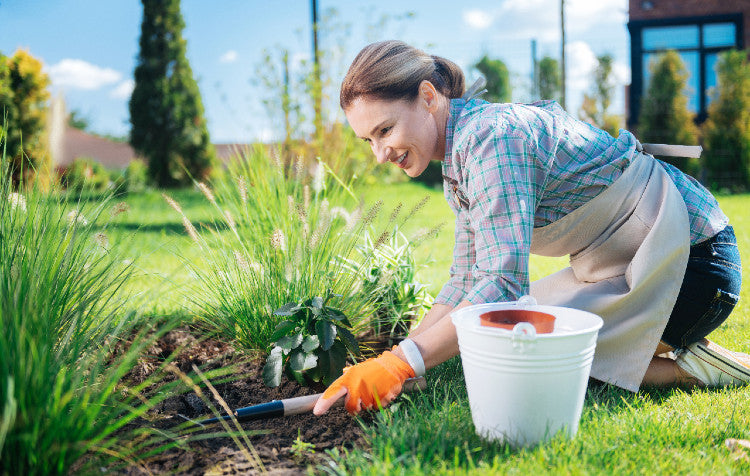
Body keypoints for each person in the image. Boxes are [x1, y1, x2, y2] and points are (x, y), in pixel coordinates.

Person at [313, 40, 747, 416]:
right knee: (505, 340)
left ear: (428, 97)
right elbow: (466, 282)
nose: (379, 154)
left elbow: (502, 285)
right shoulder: (459, 164)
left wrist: (404, 362)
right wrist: (396, 361)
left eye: (385, 130)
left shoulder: (491, 139)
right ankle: (688, 360)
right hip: (636, 264)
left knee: (542, 359)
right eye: (368, 139)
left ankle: (703, 372)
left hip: (693, 262)